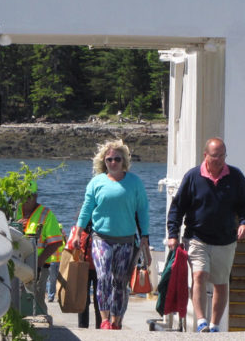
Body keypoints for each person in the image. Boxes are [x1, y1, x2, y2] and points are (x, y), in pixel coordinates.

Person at [167, 137, 245, 333]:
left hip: (226, 239)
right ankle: (201, 322)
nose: (219, 160)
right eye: (215, 156)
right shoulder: (193, 177)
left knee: (221, 283)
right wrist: (173, 233)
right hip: (197, 237)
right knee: (199, 275)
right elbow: (177, 207)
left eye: (223, 155)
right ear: (205, 155)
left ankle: (215, 325)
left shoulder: (235, 176)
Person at [73, 140, 150, 330]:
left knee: (120, 283)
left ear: (124, 161)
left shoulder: (134, 182)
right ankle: (105, 319)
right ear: (104, 162)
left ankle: (116, 320)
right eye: (109, 159)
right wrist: (77, 232)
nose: (113, 162)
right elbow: (86, 210)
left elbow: (143, 210)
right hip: (101, 239)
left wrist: (145, 237)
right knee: (104, 276)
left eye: (117, 159)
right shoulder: (96, 183)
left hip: (126, 241)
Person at [15, 180, 63, 315]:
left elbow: (56, 242)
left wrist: (39, 262)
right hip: (16, 263)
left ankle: (42, 321)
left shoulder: (46, 214)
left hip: (39, 266)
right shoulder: (13, 212)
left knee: (37, 297)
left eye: (29, 196)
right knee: (15, 297)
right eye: (22, 196)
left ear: (36, 196)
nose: (25, 200)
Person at [46, 224, 66, 302]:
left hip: (61, 262)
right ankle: (51, 296)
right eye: (59, 230)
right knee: (52, 279)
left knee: (62, 280)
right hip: (52, 262)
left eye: (61, 230)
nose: (60, 231)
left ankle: (60, 296)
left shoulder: (64, 239)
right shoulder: (51, 238)